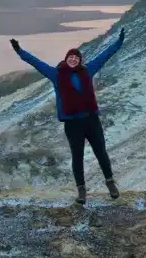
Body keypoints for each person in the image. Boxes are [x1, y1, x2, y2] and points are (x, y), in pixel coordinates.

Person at [9, 27, 125, 205]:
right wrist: (20, 51)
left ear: (80, 60)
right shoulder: (56, 75)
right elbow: (36, 63)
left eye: (76, 57)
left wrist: (118, 43)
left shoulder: (88, 70)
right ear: (66, 59)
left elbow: (105, 56)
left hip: (91, 119)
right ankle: (81, 190)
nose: (73, 59)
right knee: (77, 156)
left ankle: (110, 183)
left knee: (101, 152)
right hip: (72, 123)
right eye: (70, 57)